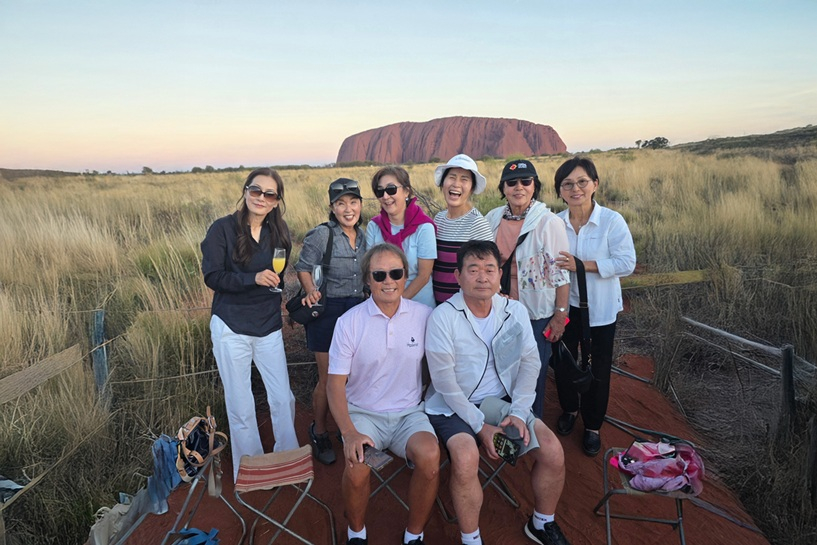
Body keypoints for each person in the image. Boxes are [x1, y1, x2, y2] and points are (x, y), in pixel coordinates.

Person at [424, 240, 570, 545]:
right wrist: (480, 426)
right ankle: (471, 539)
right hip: (453, 405)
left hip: (499, 403)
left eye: (489, 269)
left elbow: (530, 362)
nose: (482, 277)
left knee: (552, 451)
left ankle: (541, 523)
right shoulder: (443, 317)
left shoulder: (514, 310)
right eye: (473, 269)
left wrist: (518, 411)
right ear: (458, 276)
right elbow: (444, 383)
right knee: (466, 457)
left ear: (500, 275)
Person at [327, 243, 439, 545]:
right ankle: (356, 533)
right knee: (357, 465)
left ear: (405, 276)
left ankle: (414, 534)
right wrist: (349, 432)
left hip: (409, 414)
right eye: (379, 275)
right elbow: (334, 384)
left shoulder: (425, 316)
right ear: (368, 280)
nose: (388, 281)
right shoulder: (349, 322)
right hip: (363, 413)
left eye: (395, 273)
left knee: (430, 457)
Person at [201, 167, 299, 481]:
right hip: (231, 326)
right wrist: (251, 279)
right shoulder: (222, 229)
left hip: (267, 325)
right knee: (241, 404)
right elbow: (213, 276)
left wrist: (272, 291)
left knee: (283, 398)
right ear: (246, 191)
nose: (261, 198)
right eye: (256, 190)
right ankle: (251, 469)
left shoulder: (279, 232)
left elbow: (278, 277)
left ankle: (287, 460)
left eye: (269, 194)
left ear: (276, 201)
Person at [552, 157, 636, 456]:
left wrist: (582, 265)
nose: (575, 189)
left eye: (582, 182)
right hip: (564, 307)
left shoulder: (611, 221)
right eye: (567, 184)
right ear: (560, 191)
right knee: (563, 362)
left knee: (597, 367)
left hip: (600, 310)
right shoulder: (555, 223)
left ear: (595, 184)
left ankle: (592, 425)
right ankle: (569, 409)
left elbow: (626, 263)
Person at [485, 159, 571, 419]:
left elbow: (561, 274)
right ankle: (504, 424)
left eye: (526, 181)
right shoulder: (492, 219)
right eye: (511, 182)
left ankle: (532, 428)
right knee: (499, 371)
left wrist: (560, 315)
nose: (518, 187)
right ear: (503, 188)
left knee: (531, 374)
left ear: (535, 186)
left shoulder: (548, 222)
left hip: (536, 315)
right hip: (499, 311)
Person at [295, 178, 367, 465]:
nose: (348, 209)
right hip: (327, 311)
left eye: (353, 202)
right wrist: (310, 290)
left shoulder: (364, 237)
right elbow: (302, 268)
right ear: (332, 207)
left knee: (351, 375)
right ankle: (320, 431)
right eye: (341, 203)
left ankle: (348, 428)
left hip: (357, 310)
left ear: (360, 204)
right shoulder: (321, 235)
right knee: (328, 378)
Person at [366, 166, 437, 308]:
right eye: (380, 191)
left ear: (406, 191)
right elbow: (371, 269)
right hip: (383, 304)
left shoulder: (424, 227)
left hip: (419, 305)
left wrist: (396, 303)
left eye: (391, 189)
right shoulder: (374, 226)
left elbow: (423, 276)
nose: (385, 196)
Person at [431, 154, 494, 305]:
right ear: (443, 183)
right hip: (437, 308)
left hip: (464, 309)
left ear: (471, 189)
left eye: (464, 179)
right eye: (452, 177)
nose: (456, 184)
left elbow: (488, 271)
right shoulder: (438, 219)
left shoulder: (477, 223)